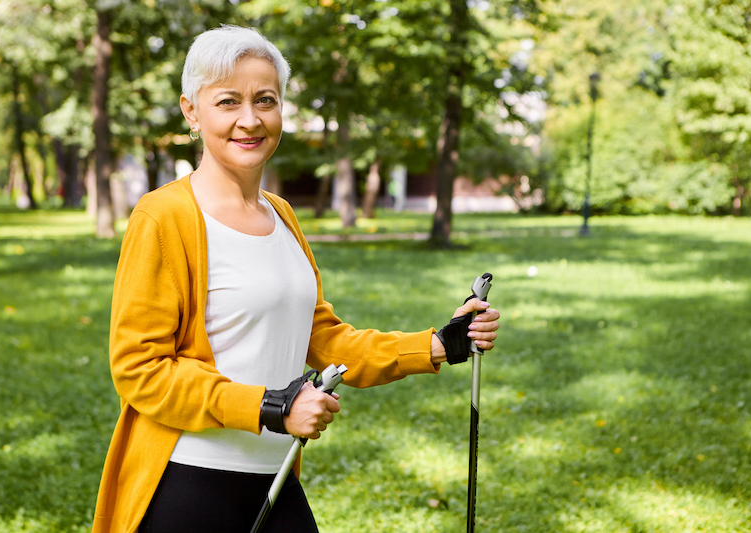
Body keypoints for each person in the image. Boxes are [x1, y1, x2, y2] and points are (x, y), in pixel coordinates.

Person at [92, 25, 500, 533]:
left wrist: (438, 344)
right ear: (191, 111)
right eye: (227, 102)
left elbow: (324, 338)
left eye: (266, 100)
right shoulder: (164, 216)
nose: (250, 119)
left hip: (273, 476)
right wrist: (268, 406)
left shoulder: (281, 214)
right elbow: (140, 368)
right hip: (189, 481)